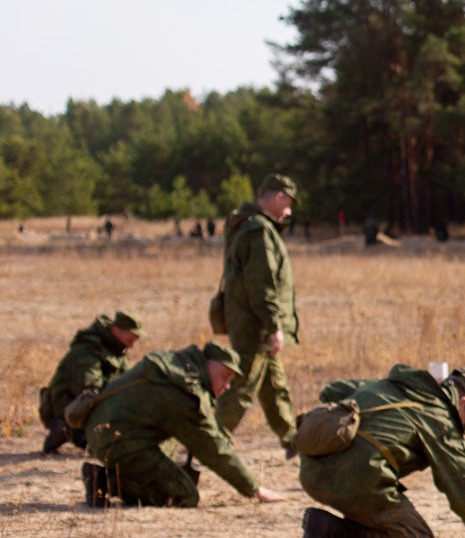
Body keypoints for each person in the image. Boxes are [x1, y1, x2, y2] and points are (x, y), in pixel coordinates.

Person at [296, 366, 465, 538]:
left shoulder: (390, 385)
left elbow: (331, 391)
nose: (464, 427)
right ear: (463, 402)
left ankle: (343, 528)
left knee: (370, 478)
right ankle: (335, 530)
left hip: (311, 471)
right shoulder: (441, 418)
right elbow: (463, 482)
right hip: (353, 482)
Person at [79, 341, 284, 509]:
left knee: (169, 448)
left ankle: (118, 475)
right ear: (209, 365)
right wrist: (254, 488)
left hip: (104, 428)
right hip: (115, 438)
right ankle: (106, 483)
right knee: (184, 495)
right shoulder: (185, 393)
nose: (227, 386)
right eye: (225, 377)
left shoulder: (180, 366)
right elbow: (211, 447)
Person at [214, 174, 301, 454]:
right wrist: (274, 325)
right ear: (278, 197)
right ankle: (210, 442)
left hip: (255, 326)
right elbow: (261, 286)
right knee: (240, 390)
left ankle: (294, 441)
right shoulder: (259, 232)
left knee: (275, 389)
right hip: (256, 329)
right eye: (288, 203)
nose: (289, 211)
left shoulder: (251, 226)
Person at [41, 310, 142, 455]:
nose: (132, 346)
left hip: (94, 408)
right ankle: (64, 428)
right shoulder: (86, 350)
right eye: (130, 340)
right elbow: (89, 390)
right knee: (109, 448)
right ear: (116, 331)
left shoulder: (117, 348)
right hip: (68, 408)